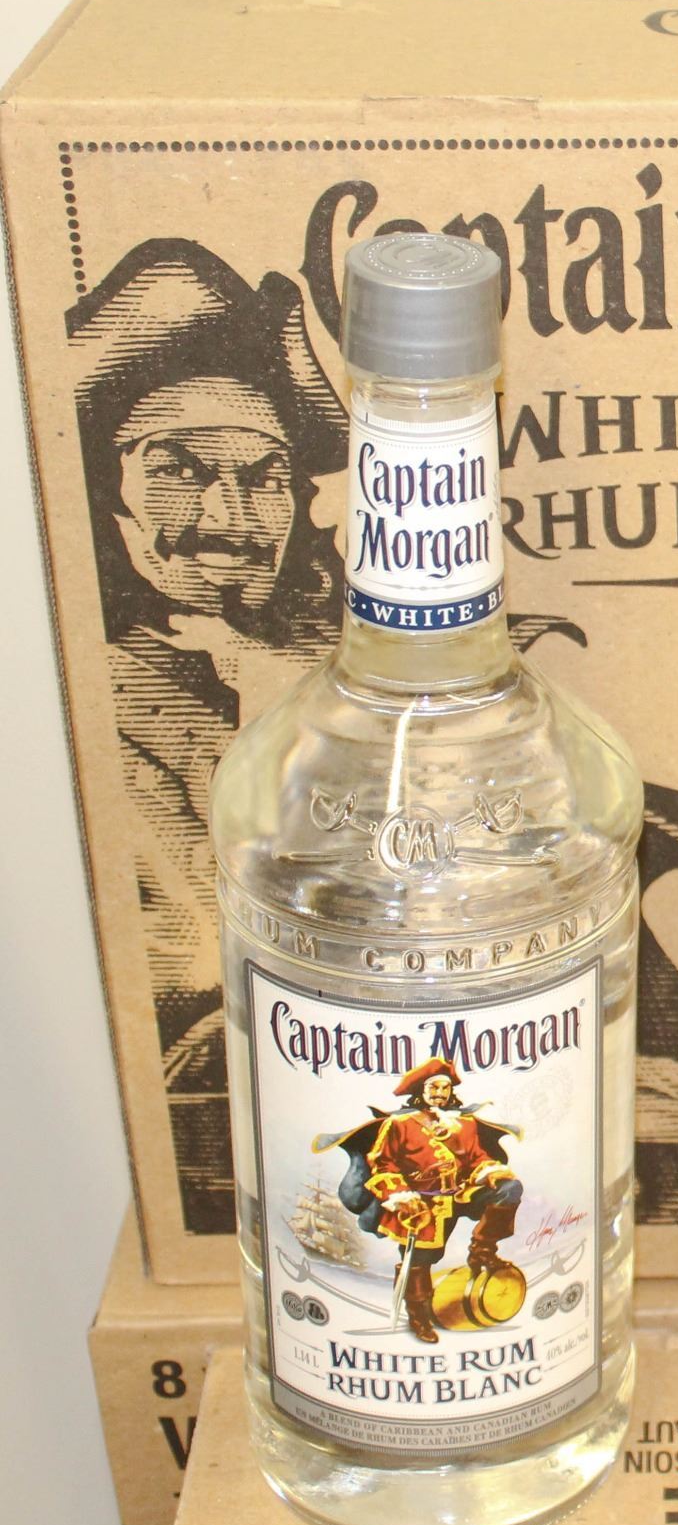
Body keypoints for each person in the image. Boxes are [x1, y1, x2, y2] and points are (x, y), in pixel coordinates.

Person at [67, 239, 346, 1234]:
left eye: (266, 477)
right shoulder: (107, 700)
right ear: (107, 495)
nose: (232, 517)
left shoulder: (358, 676)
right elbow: (212, 965)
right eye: (179, 472)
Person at [338, 1057, 524, 1345]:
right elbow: (383, 1165)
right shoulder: (399, 1124)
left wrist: (488, 1170)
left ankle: (482, 1250)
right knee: (419, 1261)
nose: (439, 1093)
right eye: (433, 1087)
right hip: (421, 1204)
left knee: (509, 1189)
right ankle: (419, 1315)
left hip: (460, 1193)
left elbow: (477, 1157)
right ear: (420, 1090)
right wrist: (401, 1195)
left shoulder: (464, 1123)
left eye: (444, 1088)